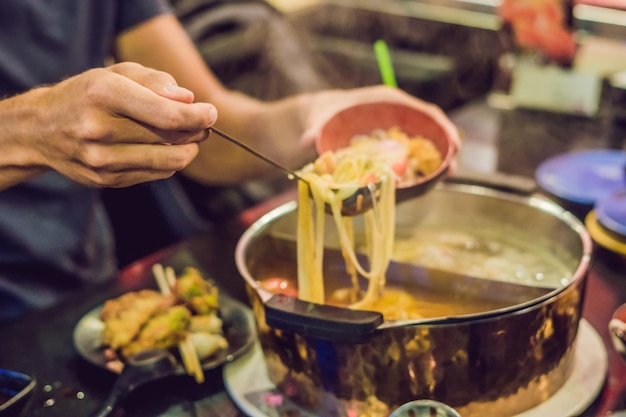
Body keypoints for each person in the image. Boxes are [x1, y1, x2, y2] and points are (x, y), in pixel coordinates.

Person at [0, 0, 459, 324]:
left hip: (82, 290)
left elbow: (211, 135)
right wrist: (31, 128)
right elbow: (36, 128)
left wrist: (312, 116)